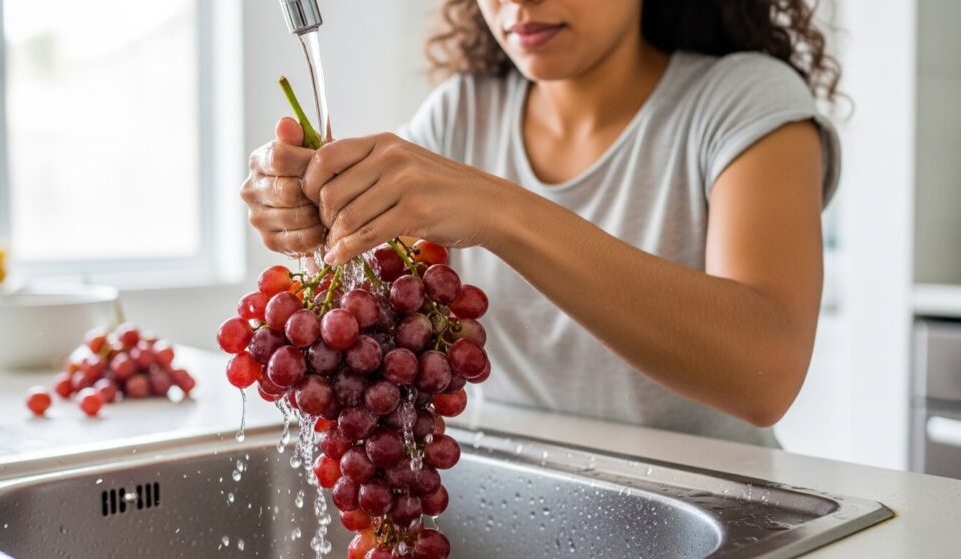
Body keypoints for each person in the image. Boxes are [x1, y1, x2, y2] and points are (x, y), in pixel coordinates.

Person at [241, 0, 841, 447]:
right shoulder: (463, 110)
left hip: (720, 500)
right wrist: (313, 210)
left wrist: (500, 210)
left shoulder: (745, 100)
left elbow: (766, 375)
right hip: (525, 488)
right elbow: (374, 292)